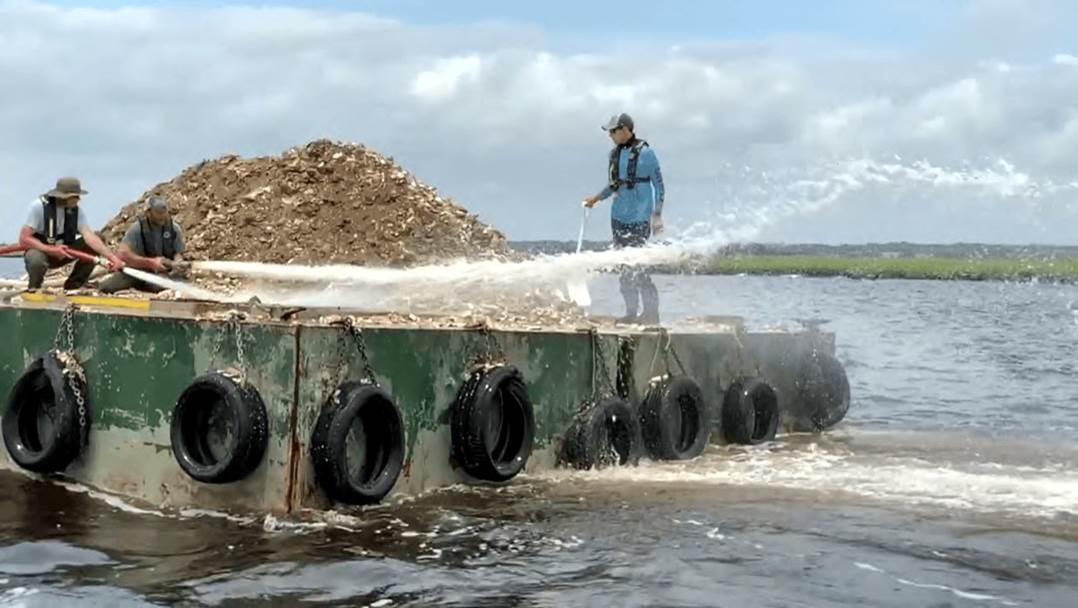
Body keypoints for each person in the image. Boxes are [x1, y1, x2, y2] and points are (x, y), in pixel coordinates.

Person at [583, 113, 665, 324]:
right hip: (619, 217)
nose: (610, 135)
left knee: (638, 267)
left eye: (613, 131)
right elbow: (613, 185)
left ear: (625, 130)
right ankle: (630, 313)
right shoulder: (614, 155)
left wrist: (657, 215)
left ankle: (651, 313)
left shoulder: (646, 153)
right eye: (609, 131)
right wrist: (596, 199)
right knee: (624, 268)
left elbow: (659, 185)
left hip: (640, 218)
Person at [19, 177, 124, 290]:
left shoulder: (76, 211)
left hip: (65, 252)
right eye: (75, 196)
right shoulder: (39, 207)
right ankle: (34, 288)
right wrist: (50, 249)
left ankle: (74, 286)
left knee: (97, 238)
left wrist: (112, 258)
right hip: (42, 252)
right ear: (64, 196)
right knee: (35, 260)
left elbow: (89, 237)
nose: (79, 199)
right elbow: (24, 238)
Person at [99, 194, 187, 294]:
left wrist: (177, 263)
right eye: (158, 214)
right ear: (148, 213)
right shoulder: (138, 229)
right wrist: (150, 263)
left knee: (162, 285)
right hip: (137, 271)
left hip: (162, 273)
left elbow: (178, 253)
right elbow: (122, 254)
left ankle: (148, 285)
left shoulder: (174, 229)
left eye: (164, 213)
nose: (162, 218)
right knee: (107, 287)